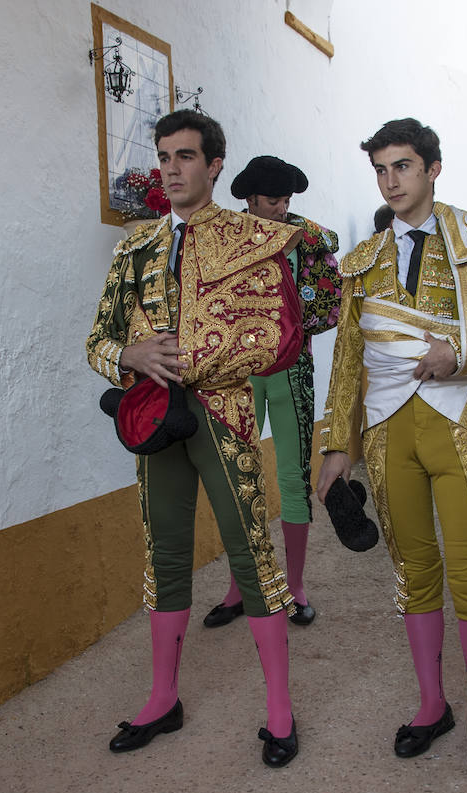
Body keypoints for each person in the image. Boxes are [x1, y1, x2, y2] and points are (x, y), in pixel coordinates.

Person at [316, 117, 467, 774]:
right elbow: (348, 361)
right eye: (382, 170)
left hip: (456, 423)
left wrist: (466, 352)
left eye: (404, 167)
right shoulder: (362, 261)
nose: (392, 181)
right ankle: (431, 705)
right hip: (390, 434)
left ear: (433, 169)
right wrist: (339, 446)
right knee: (414, 573)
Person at [84, 110, 305, 767]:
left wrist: (192, 359)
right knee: (165, 551)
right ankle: (162, 698)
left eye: (186, 156)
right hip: (154, 417)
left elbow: (282, 335)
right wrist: (132, 355)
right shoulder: (135, 248)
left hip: (224, 411)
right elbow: (95, 341)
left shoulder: (253, 238)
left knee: (250, 554)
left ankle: (281, 710)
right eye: (165, 157)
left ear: (214, 166)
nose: (173, 168)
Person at [204, 156, 341, 629]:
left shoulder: (304, 234)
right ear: (249, 200)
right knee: (237, 480)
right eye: (273, 201)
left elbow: (331, 263)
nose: (282, 209)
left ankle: (295, 585)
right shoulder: (225, 237)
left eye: (287, 200)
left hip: (291, 368)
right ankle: (241, 584)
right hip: (238, 374)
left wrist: (294, 232)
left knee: (292, 478)